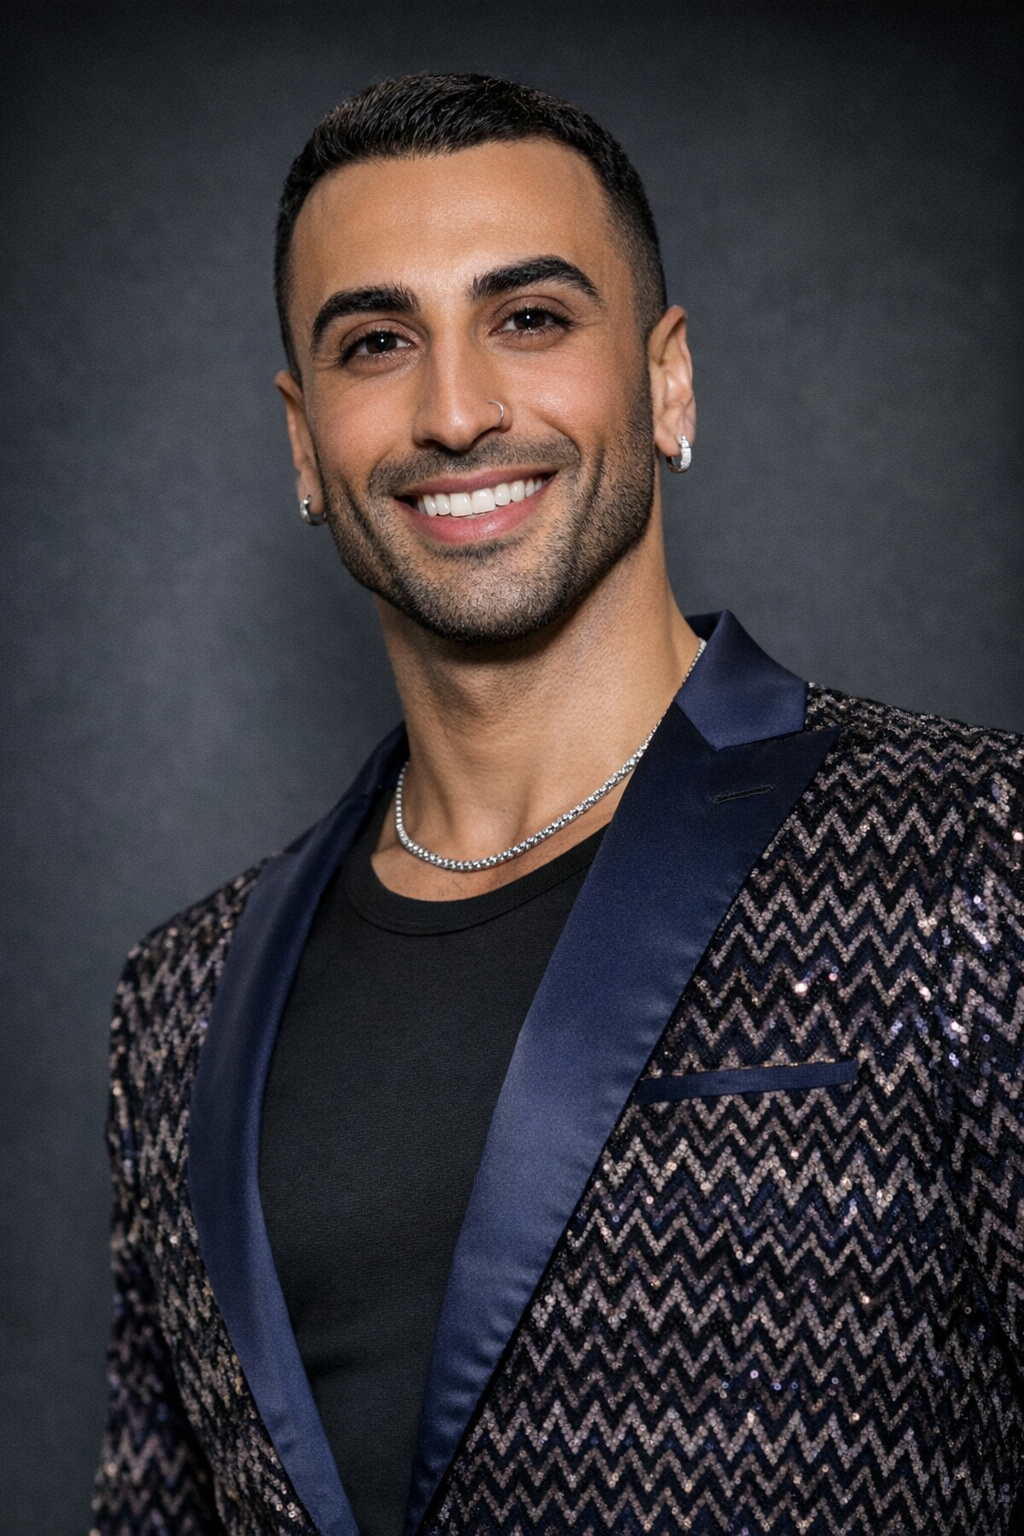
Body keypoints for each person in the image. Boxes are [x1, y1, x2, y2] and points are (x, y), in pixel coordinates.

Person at [91, 73, 1023, 1536]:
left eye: (530, 319)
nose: (455, 410)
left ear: (667, 380)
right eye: (377, 342)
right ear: (301, 442)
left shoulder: (971, 854)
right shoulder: (179, 1004)